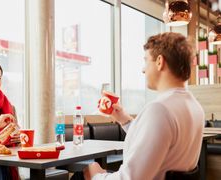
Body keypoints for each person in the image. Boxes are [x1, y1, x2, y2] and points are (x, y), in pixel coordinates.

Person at [84, 32, 204, 180]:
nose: (143, 69)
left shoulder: (160, 109)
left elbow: (131, 178)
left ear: (160, 61)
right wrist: (124, 119)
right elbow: (161, 140)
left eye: (146, 60)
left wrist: (96, 175)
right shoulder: (195, 107)